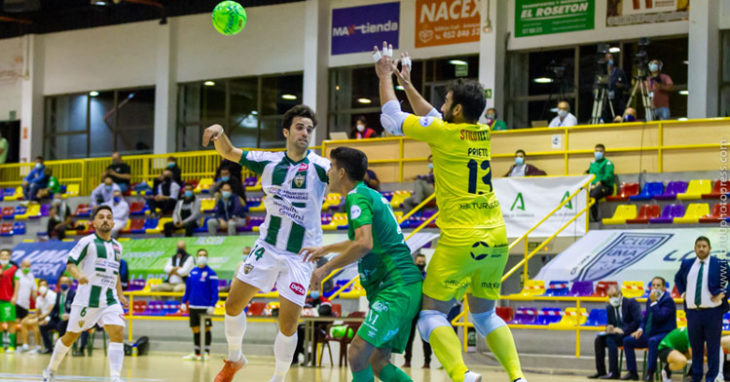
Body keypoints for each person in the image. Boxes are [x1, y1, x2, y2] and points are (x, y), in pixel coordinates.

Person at [378, 44, 526, 382]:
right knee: (485, 316)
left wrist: (385, 75)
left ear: (457, 109)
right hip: (496, 237)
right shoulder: (482, 132)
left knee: (430, 316)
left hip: (460, 239)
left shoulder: (443, 133)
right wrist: (407, 84)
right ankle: (518, 376)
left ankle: (462, 375)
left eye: (446, 102)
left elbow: (390, 117)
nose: (442, 106)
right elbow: (433, 115)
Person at [203, 104, 331, 382]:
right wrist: (220, 132)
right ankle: (235, 359)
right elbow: (228, 152)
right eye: (299, 127)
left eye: (309, 129)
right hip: (268, 247)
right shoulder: (268, 161)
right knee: (232, 305)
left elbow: (351, 183)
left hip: (301, 256)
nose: (305, 133)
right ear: (286, 131)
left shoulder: (321, 167)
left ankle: (278, 378)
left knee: (288, 325)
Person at [302, 146, 423, 382]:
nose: (328, 172)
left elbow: (364, 244)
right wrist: (325, 249)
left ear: (341, 173)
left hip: (396, 286)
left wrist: (326, 269)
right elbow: (361, 239)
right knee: (377, 362)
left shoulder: (357, 196)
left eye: (331, 167)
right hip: (398, 286)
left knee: (357, 352)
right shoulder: (368, 194)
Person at [41, 206, 128, 382]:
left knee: (118, 331)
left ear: (113, 222)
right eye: (101, 217)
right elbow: (70, 264)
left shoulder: (118, 246)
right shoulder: (87, 242)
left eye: (109, 217)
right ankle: (50, 369)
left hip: (109, 299)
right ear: (94, 222)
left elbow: (115, 271)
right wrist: (79, 274)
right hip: (86, 300)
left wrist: (120, 294)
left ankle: (115, 377)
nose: (105, 220)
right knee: (70, 337)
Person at [674, 236, 730, 382]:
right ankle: (696, 377)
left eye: (704, 246)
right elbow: (678, 279)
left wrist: (724, 294)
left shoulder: (719, 263)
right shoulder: (687, 264)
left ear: (709, 248)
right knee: (696, 348)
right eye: (698, 246)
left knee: (712, 348)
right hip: (693, 313)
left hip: (713, 312)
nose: (701, 248)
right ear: (695, 248)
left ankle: (711, 378)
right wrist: (683, 293)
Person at [622, 276, 676, 381]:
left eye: (658, 285)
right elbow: (645, 318)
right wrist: (640, 329)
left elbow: (660, 317)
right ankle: (632, 373)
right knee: (627, 341)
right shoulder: (649, 300)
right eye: (653, 285)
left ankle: (650, 373)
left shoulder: (668, 301)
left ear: (664, 288)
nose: (655, 288)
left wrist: (654, 302)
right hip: (650, 333)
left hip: (665, 334)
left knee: (652, 341)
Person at [589, 285, 641, 379]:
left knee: (610, 340)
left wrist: (623, 330)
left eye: (614, 295)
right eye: (610, 296)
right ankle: (601, 371)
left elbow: (637, 321)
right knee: (598, 340)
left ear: (620, 293)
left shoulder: (631, 302)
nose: (612, 298)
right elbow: (610, 324)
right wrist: (609, 328)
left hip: (630, 333)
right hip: (616, 335)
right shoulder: (609, 307)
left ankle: (614, 372)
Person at [182, 249, 219, 361]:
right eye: (200, 255)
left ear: (207, 258)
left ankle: (207, 352)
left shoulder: (211, 273)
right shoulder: (192, 272)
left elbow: (215, 291)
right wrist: (184, 301)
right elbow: (188, 289)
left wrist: (212, 305)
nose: (202, 257)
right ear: (196, 257)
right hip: (193, 306)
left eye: (204, 255)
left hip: (205, 307)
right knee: (195, 329)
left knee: (207, 328)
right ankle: (197, 353)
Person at [404, 253, 432, 369]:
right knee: (409, 337)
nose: (421, 264)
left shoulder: (428, 277)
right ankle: (407, 360)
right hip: (412, 311)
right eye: (419, 262)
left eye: (422, 262)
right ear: (415, 263)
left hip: (424, 311)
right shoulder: (410, 277)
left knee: (425, 338)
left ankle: (427, 362)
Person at [292, 289, 333, 365]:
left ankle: (312, 359)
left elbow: (323, 312)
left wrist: (312, 311)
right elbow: (302, 311)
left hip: (321, 329)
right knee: (297, 330)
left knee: (313, 330)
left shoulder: (325, 301)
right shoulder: (308, 301)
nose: (313, 291)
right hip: (308, 326)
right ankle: (295, 359)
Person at [41, 276, 74, 354]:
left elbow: (76, 309)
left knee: (61, 326)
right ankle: (49, 348)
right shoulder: (58, 294)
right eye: (62, 282)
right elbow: (55, 308)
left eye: (66, 282)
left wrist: (69, 315)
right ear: (59, 284)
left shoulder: (73, 294)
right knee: (43, 326)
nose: (64, 284)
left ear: (69, 284)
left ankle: (61, 349)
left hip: (68, 320)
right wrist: (47, 318)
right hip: (58, 318)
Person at [20, 279, 54, 354]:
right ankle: (25, 345)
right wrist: (29, 316)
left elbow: (50, 310)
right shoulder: (39, 298)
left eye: (44, 285)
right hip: (41, 316)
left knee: (35, 322)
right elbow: (37, 312)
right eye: (40, 285)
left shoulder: (52, 295)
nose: (42, 287)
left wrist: (39, 317)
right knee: (24, 322)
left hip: (51, 317)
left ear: (47, 286)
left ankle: (38, 347)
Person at [13, 259, 36, 352]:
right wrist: (14, 297)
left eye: (29, 266)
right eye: (25, 265)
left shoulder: (31, 275)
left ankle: (24, 345)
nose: (27, 267)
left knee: (24, 325)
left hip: (26, 304)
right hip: (17, 302)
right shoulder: (17, 274)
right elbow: (15, 286)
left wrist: (36, 299)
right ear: (21, 265)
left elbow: (34, 289)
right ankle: (16, 345)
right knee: (17, 324)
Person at [588, 144, 614, 222]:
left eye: (600, 151)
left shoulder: (608, 163)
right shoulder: (592, 163)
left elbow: (608, 176)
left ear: (604, 152)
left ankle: (595, 218)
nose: (598, 153)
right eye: (596, 151)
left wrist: (600, 182)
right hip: (593, 186)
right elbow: (590, 175)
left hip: (605, 187)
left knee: (593, 195)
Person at [0, 249, 19, 352]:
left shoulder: (14, 269)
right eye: (2, 255)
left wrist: (15, 296)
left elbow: (17, 283)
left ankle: (12, 346)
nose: (4, 257)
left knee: (11, 322)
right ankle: (1, 346)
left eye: (6, 255)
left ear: (9, 256)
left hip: (8, 299)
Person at [603, 52, 629, 123]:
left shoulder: (619, 72)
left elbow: (627, 86)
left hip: (618, 101)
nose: (609, 60)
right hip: (607, 103)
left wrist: (620, 85)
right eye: (607, 58)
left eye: (610, 57)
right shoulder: (603, 73)